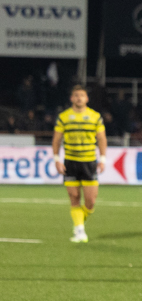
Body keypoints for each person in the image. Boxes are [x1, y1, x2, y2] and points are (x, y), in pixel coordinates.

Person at [53, 84, 106, 244]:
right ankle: (80, 231)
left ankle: (79, 223)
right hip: (71, 162)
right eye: (76, 95)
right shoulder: (64, 117)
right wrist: (56, 159)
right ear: (71, 98)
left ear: (86, 98)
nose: (79, 98)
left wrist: (102, 158)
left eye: (81, 95)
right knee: (74, 197)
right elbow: (57, 139)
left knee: (90, 201)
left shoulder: (95, 116)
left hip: (89, 162)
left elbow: (102, 138)